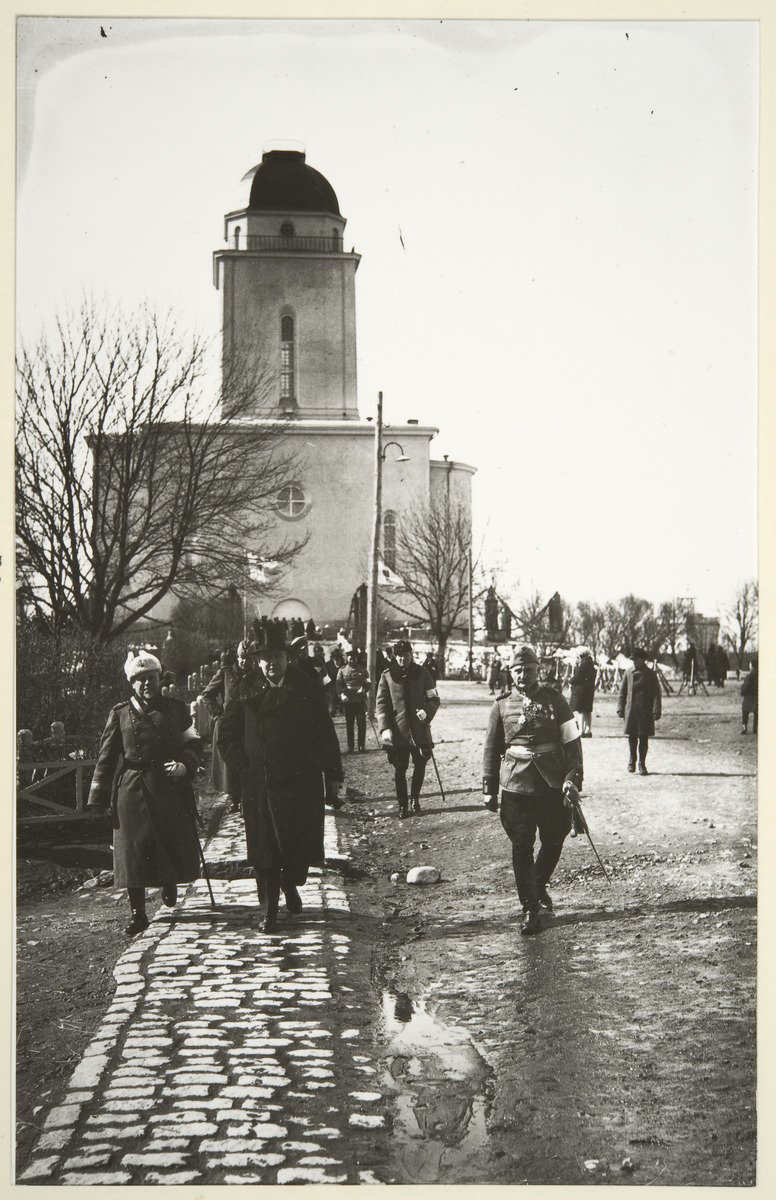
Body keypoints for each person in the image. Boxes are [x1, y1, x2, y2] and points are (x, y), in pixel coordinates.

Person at [217, 624, 344, 933]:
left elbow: (325, 733)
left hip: (300, 782)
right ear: (257, 662)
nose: (272, 663)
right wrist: (242, 766)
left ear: (288, 658)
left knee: (298, 853)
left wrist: (333, 776)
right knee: (265, 853)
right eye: (265, 658)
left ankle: (291, 883)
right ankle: (269, 912)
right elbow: (227, 735)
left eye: (278, 656)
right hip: (260, 784)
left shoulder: (305, 687)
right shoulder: (244, 690)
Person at [86, 652, 203, 936]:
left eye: (151, 678)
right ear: (132, 684)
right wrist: (97, 798)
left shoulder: (176, 709)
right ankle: (138, 914)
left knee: (168, 842)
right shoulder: (120, 714)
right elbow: (106, 758)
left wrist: (184, 766)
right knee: (132, 852)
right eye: (140, 680)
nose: (147, 684)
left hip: (169, 786)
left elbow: (195, 743)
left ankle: (169, 881)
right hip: (131, 790)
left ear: (159, 678)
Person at [482, 644, 583, 935]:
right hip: (516, 785)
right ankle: (530, 907)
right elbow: (491, 749)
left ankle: (537, 884)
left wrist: (572, 779)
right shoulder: (501, 705)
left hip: (551, 782)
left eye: (528, 669)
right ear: (510, 673)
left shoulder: (556, 700)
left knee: (555, 838)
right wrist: (489, 787)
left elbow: (572, 743)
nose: (523, 675)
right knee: (521, 845)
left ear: (538, 669)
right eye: (517, 670)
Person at [376, 639, 440, 818]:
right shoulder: (387, 675)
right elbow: (381, 705)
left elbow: (434, 699)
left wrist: (427, 713)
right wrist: (384, 728)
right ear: (394, 656)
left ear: (411, 655)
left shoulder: (423, 673)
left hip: (419, 730)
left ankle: (415, 798)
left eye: (405, 655)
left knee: (420, 764)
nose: (402, 659)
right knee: (399, 768)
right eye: (399, 656)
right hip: (398, 731)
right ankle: (403, 805)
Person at [202, 648, 244, 812]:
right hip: (228, 724)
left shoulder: (253, 674)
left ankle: (245, 798)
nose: (244, 662)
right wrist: (217, 714)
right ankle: (235, 799)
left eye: (247, 658)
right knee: (230, 763)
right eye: (241, 658)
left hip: (246, 723)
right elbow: (207, 694)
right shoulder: (226, 673)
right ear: (237, 658)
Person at [616, 648, 662, 775]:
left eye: (636, 660)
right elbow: (622, 692)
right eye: (633, 660)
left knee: (643, 737)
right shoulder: (628, 673)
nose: (634, 662)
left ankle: (642, 763)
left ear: (643, 660)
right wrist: (620, 708)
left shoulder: (650, 674)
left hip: (645, 711)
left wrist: (656, 710)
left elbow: (656, 694)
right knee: (632, 736)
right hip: (631, 710)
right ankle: (632, 760)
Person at [337, 648, 370, 752]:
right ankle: (350, 746)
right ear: (347, 659)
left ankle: (362, 745)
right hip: (349, 701)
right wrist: (342, 694)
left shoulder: (363, 669)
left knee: (361, 724)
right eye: (350, 659)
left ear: (356, 659)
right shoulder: (342, 670)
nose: (352, 661)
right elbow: (338, 684)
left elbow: (368, 682)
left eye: (354, 659)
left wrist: (364, 689)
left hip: (360, 700)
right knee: (349, 724)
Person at [569, 649, 596, 737]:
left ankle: (581, 730)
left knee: (581, 711)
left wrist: (571, 680)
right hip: (589, 690)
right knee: (587, 711)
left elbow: (578, 677)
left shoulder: (583, 664)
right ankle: (588, 730)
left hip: (582, 691)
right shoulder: (591, 663)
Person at [740, 662, 758, 734]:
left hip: (749, 697)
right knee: (756, 713)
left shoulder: (749, 676)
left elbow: (745, 686)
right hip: (757, 696)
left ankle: (744, 727)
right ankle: (755, 728)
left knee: (745, 712)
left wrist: (742, 692)